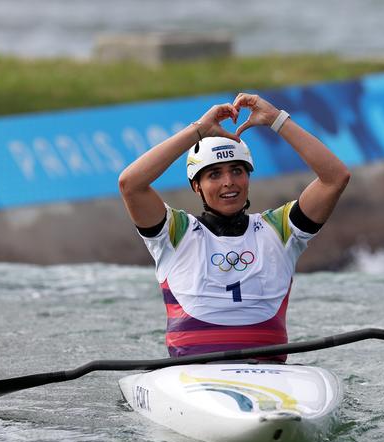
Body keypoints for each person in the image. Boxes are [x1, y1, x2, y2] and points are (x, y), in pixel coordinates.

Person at [118, 93, 350, 361]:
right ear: (197, 187)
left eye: (237, 171)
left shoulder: (281, 229)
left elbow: (335, 178)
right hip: (192, 378)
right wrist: (198, 130)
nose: (229, 182)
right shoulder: (174, 234)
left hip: (270, 380)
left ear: (248, 178)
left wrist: (276, 119)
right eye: (214, 174)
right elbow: (130, 184)